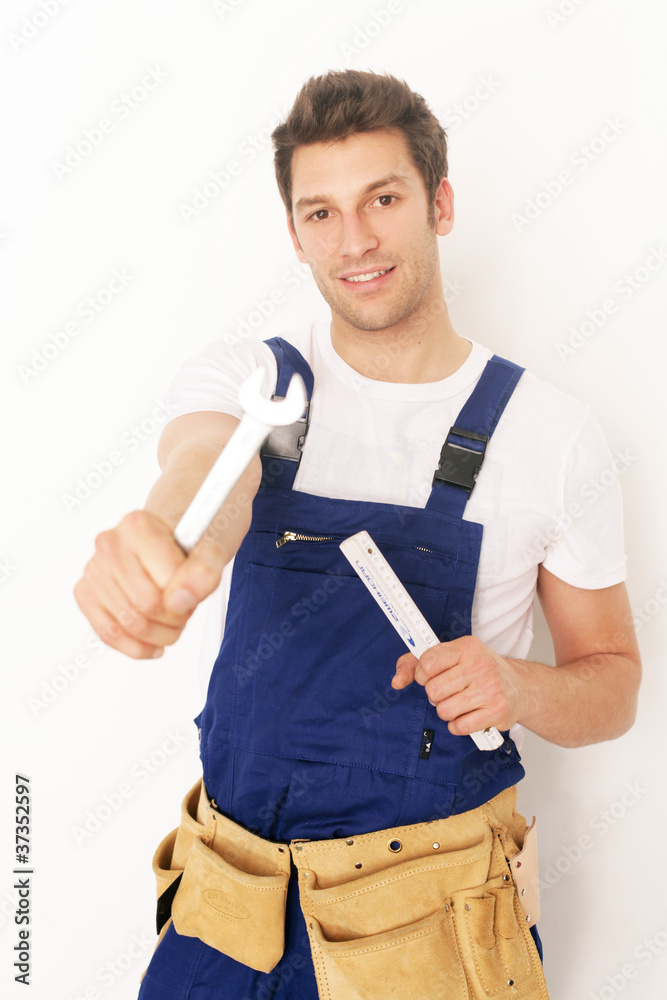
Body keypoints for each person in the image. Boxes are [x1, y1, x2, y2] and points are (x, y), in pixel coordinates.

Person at [74, 70, 641, 1000]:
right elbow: (207, 471)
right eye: (321, 212)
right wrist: (166, 542)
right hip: (227, 916)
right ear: (295, 233)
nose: (355, 241)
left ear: (439, 204)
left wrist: (517, 685)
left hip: (432, 931)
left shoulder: (551, 436)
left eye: (382, 199)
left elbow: (611, 684)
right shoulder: (253, 383)